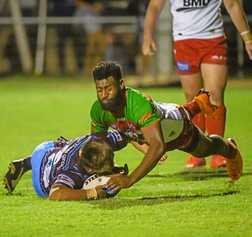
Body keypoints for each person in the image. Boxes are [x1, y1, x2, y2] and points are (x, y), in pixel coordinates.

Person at [89, 61, 243, 189]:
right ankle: (196, 105)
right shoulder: (98, 110)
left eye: (109, 89)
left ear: (121, 84)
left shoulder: (137, 104)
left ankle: (230, 148)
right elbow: (98, 146)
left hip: (178, 131)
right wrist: (106, 170)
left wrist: (129, 180)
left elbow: (158, 147)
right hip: (154, 125)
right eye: (99, 90)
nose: (104, 95)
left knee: (204, 149)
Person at [142, 0, 252, 169]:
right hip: (184, 42)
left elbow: (233, 4)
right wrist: (147, 35)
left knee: (214, 94)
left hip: (212, 39)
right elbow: (154, 6)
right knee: (194, 99)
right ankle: (197, 152)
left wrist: (247, 37)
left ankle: (219, 152)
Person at [3, 130, 128, 201]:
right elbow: (55, 194)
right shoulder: (71, 172)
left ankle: (27, 162)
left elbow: (128, 134)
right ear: (89, 168)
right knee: (80, 185)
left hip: (46, 148)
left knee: (62, 148)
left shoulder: (95, 140)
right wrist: (92, 192)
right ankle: (28, 163)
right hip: (41, 180)